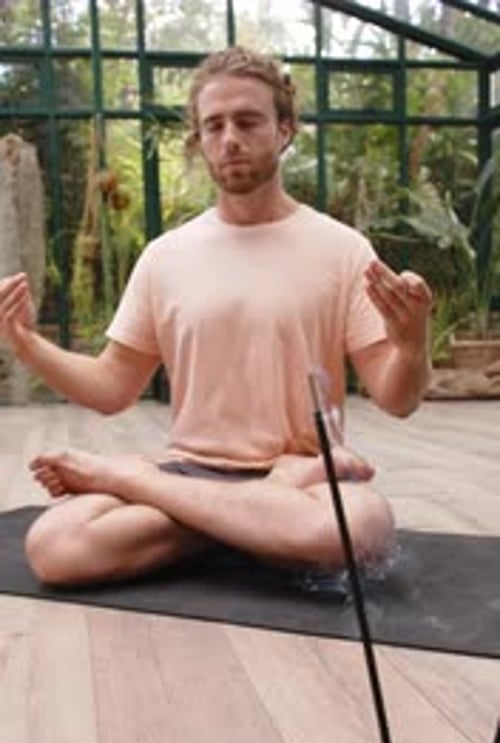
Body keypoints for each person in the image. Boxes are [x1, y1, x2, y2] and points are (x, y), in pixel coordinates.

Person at [0, 46, 433, 587]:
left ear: (284, 129)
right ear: (199, 138)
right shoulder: (165, 256)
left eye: (248, 121)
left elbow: (397, 398)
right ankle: (254, 511)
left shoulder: (343, 249)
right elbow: (112, 387)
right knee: (54, 547)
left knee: (358, 530)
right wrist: (24, 341)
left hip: (308, 474)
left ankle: (138, 482)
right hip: (220, 473)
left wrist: (412, 345)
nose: (230, 138)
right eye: (214, 125)